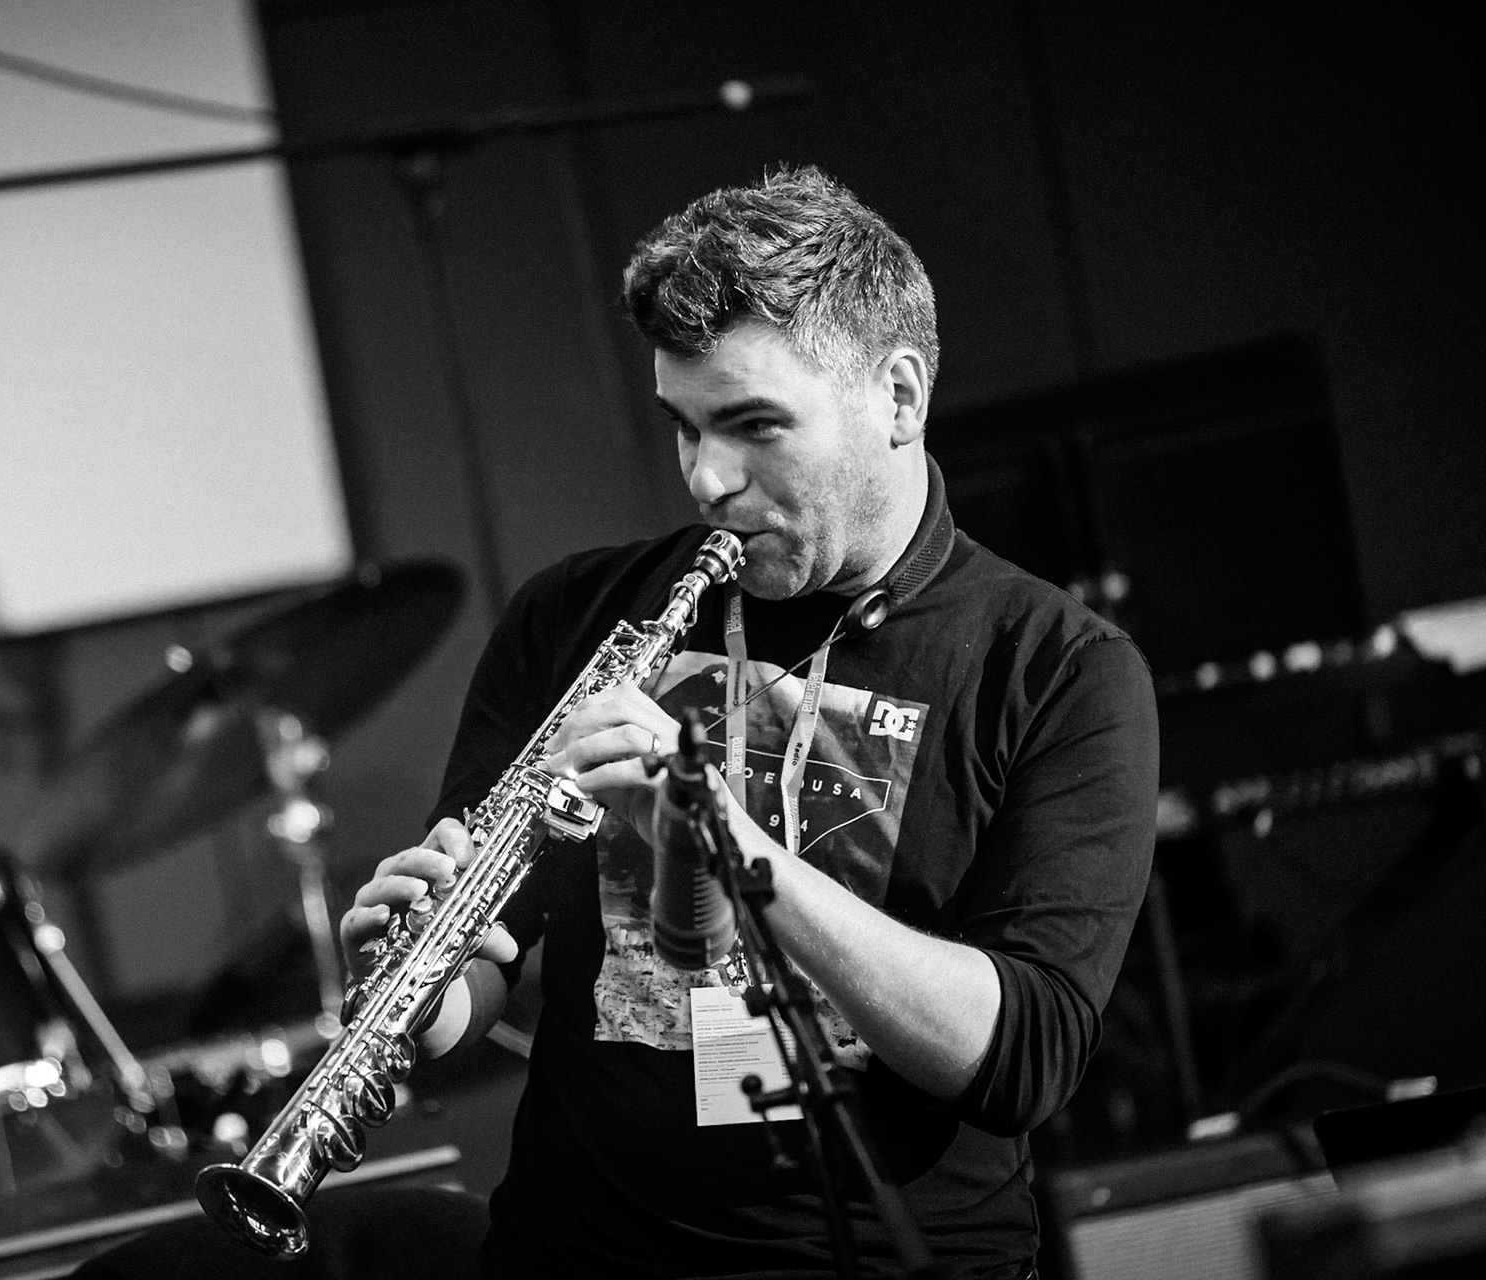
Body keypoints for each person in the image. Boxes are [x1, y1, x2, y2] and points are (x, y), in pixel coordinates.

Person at [342, 165, 1159, 1279]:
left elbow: (1021, 1059)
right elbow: (490, 963)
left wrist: (733, 852)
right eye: (683, 428)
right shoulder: (571, 617)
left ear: (899, 396)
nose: (708, 480)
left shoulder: (1061, 670)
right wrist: (427, 997)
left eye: (754, 425)